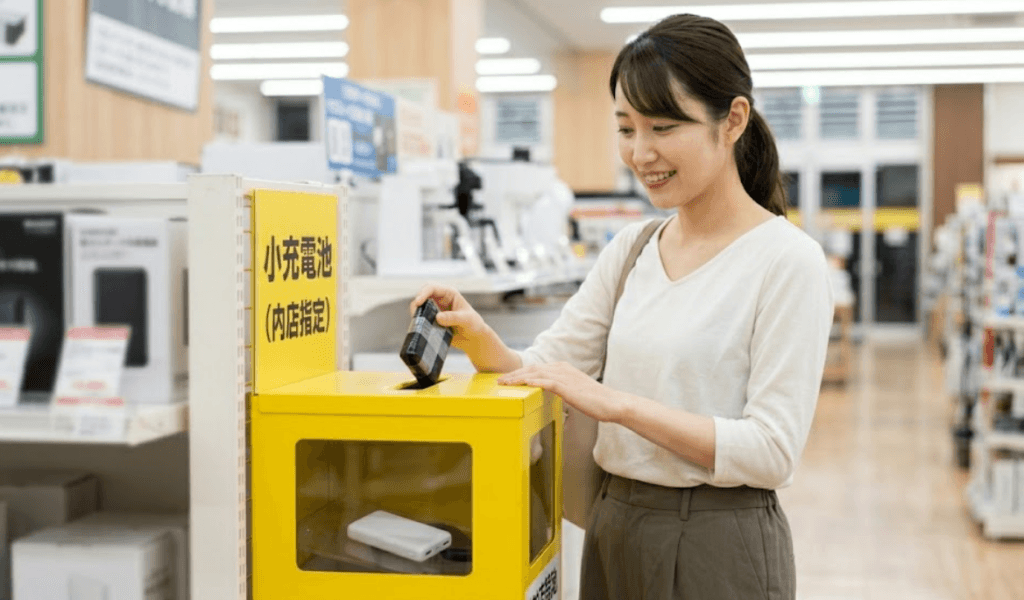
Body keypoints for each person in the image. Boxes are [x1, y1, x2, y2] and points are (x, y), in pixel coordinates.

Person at [411, 13, 834, 600]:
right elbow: (545, 373)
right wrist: (483, 342)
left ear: (732, 120)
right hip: (615, 525)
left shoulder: (788, 262)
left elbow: (771, 451)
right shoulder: (632, 249)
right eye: (626, 129)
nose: (641, 153)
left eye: (662, 127)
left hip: (720, 540)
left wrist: (616, 405)